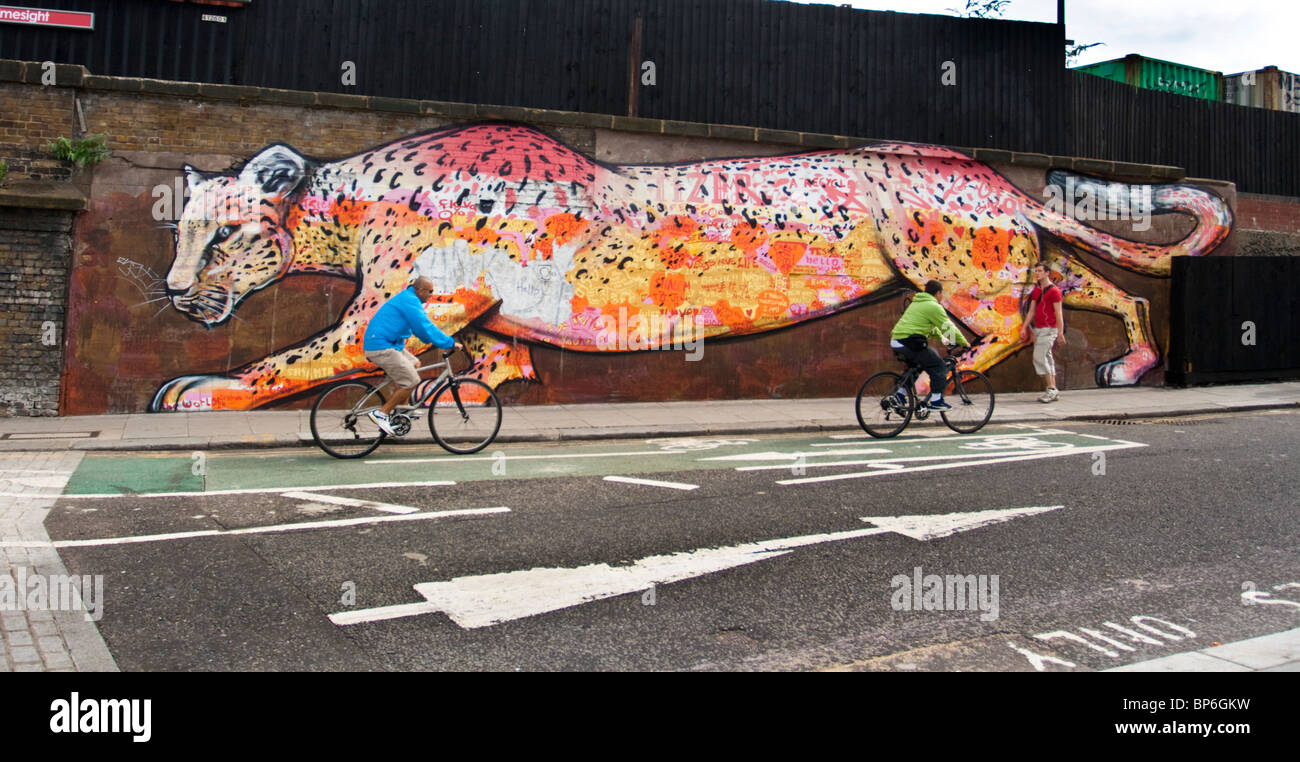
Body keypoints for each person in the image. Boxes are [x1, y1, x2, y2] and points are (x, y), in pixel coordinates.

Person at [363, 276, 460, 435]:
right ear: (419, 290)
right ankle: (382, 413)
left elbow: (419, 329)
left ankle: (403, 410)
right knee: (412, 380)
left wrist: (438, 340)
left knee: (415, 364)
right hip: (380, 346)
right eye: (429, 291)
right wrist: (448, 343)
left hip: (391, 344)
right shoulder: (410, 301)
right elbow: (424, 326)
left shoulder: (409, 299)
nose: (431, 294)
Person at [889, 280, 970, 410]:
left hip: (898, 341)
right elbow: (947, 327)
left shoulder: (918, 303)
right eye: (941, 294)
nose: (941, 296)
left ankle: (899, 395)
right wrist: (963, 342)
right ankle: (936, 400)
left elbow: (932, 328)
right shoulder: (933, 306)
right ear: (938, 293)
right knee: (939, 367)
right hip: (909, 342)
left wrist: (944, 340)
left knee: (917, 366)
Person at [1020, 262, 1066, 403]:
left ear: (1047, 273)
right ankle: (1053, 389)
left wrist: (1060, 333)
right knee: (1047, 358)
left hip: (1049, 328)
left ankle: (1051, 388)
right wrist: (1025, 327)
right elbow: (1032, 311)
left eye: (1040, 271)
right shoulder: (1037, 291)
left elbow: (1059, 313)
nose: (1037, 273)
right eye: (1036, 271)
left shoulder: (1054, 291)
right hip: (1038, 329)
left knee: (1039, 358)